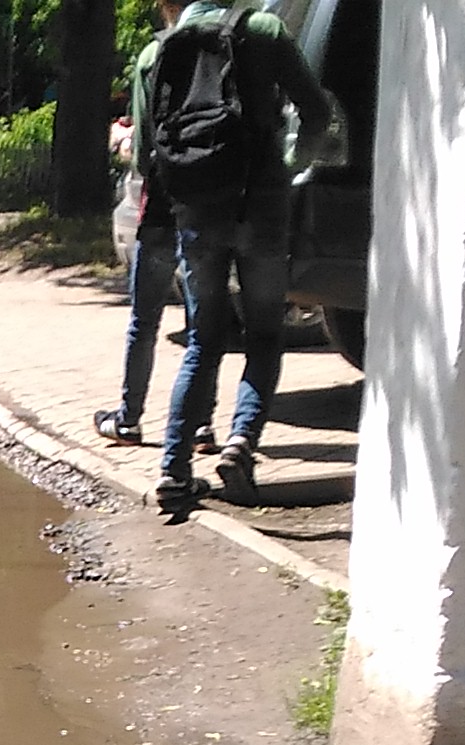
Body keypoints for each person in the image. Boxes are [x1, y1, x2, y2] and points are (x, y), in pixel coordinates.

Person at [128, 0, 330, 518]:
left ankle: (174, 474)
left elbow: (147, 153)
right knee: (264, 335)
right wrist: (289, 166)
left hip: (197, 212)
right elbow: (317, 110)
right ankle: (241, 442)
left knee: (204, 340)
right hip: (262, 207)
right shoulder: (263, 29)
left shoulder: (157, 52)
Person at [95, 0, 192, 451]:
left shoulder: (155, 54)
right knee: (203, 324)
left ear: (163, 5)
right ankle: (202, 426)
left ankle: (129, 418)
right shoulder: (246, 37)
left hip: (162, 207)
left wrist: (124, 144)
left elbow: (142, 153)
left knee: (145, 319)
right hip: (218, 205)